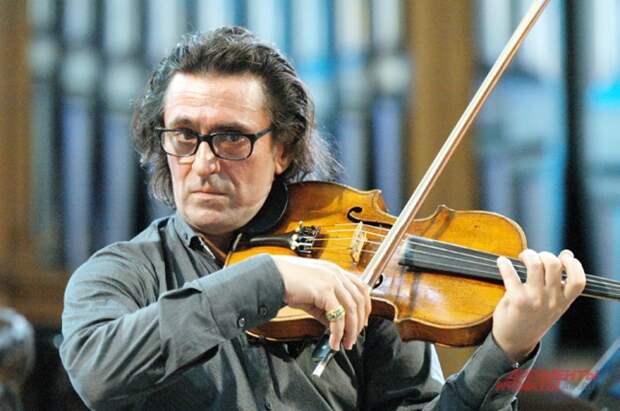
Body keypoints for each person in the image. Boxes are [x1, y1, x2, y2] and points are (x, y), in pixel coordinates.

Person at [60, 26, 586, 410]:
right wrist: (267, 280)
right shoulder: (121, 274)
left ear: (283, 149)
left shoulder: (361, 272)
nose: (202, 162)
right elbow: (97, 373)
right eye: (183, 135)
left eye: (231, 138)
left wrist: (506, 350)